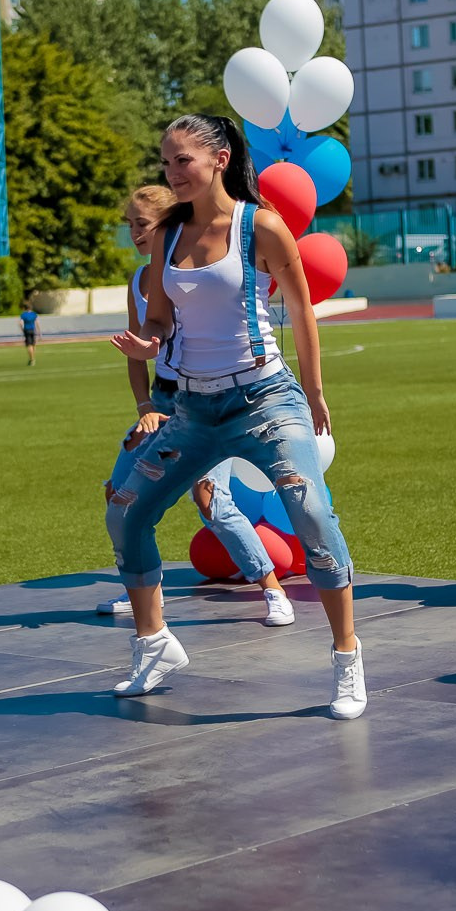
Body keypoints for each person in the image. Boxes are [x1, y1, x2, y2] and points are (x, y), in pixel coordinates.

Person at [107, 114, 362, 718]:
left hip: (265, 401)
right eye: (166, 162)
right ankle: (154, 644)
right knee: (125, 510)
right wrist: (151, 346)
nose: (172, 172)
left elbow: (301, 311)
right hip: (194, 408)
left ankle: (347, 656)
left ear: (219, 159)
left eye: (183, 161)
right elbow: (162, 317)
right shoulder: (167, 234)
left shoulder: (262, 227)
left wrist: (317, 392)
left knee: (311, 511)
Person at [97, 185, 295, 628]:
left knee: (210, 499)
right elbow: (138, 351)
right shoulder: (138, 280)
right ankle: (147, 589)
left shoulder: (191, 269)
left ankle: (272, 590)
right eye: (129, 224)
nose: (133, 232)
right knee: (119, 491)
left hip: (202, 398)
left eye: (141, 223)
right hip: (161, 402)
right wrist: (145, 404)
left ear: (168, 224)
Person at [21, 300, 39, 366]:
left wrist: (22, 330)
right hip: (33, 330)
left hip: (27, 330)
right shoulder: (34, 314)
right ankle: (32, 358)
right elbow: (37, 323)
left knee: (29, 345)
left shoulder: (23, 315)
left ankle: (32, 359)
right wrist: (39, 332)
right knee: (33, 344)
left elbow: (20, 323)